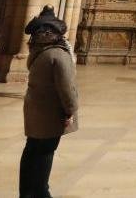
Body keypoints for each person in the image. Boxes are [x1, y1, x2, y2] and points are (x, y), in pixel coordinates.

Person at [20, 10, 78, 198]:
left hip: (35, 110)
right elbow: (66, 87)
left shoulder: (38, 52)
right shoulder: (58, 55)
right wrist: (70, 110)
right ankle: (41, 193)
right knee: (45, 153)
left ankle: (27, 192)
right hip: (51, 113)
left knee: (31, 151)